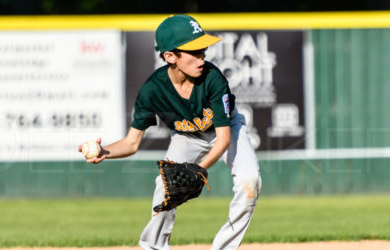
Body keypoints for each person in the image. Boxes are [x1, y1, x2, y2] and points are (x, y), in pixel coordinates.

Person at [80, 15, 261, 250]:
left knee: (250, 181)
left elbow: (224, 137)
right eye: (194, 52)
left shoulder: (213, 78)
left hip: (225, 129)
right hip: (187, 137)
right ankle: (154, 246)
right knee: (166, 188)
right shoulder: (152, 91)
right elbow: (132, 143)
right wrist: (105, 151)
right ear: (170, 56)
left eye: (203, 49)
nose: (202, 56)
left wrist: (198, 170)